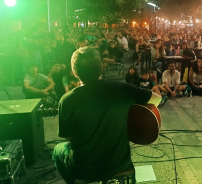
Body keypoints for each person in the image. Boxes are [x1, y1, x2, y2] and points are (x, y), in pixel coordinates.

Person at [52, 47, 161, 184]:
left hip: (84, 168)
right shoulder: (121, 89)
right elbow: (157, 99)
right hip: (119, 162)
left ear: (74, 72)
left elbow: (68, 137)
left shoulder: (66, 100)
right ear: (102, 67)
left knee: (57, 150)